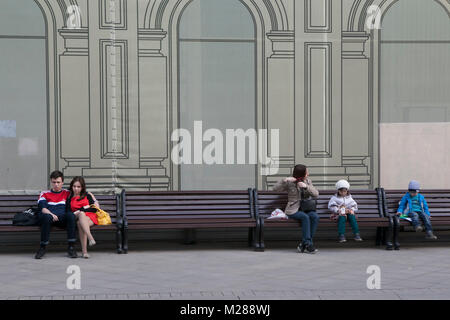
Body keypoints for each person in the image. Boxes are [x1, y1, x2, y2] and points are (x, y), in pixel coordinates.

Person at [273, 164, 320, 254]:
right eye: (306, 172)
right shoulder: (290, 182)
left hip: (306, 208)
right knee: (305, 217)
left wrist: (306, 187)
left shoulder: (308, 181)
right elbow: (275, 189)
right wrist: (285, 180)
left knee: (315, 217)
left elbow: (316, 194)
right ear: (301, 173)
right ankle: (308, 244)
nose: (308, 174)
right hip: (293, 209)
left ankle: (304, 244)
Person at [35, 170, 77, 259]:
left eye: (58, 182)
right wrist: (51, 214)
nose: (56, 184)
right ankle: (42, 248)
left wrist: (94, 200)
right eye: (54, 182)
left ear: (62, 182)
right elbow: (43, 209)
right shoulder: (44, 193)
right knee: (46, 217)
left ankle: (71, 247)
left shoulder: (67, 193)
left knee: (70, 215)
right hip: (48, 218)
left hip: (62, 218)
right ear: (51, 182)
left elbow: (83, 192)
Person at [67, 176, 99, 259]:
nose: (76, 189)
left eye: (78, 187)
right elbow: (69, 212)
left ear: (82, 187)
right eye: (74, 186)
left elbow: (94, 208)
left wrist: (81, 210)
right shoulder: (69, 198)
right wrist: (83, 209)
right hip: (78, 217)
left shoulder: (87, 195)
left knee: (80, 220)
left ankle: (85, 251)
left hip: (90, 217)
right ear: (71, 186)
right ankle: (90, 238)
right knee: (80, 218)